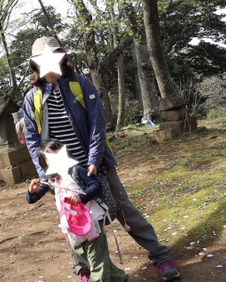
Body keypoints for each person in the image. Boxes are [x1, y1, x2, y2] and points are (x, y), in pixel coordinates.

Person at [23, 37, 181, 282]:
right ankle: (85, 269)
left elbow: (97, 124)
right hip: (63, 175)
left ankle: (161, 256)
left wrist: (94, 160)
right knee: (74, 222)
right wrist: (46, 175)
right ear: (36, 65)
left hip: (95, 166)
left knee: (124, 211)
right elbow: (34, 142)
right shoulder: (32, 98)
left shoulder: (80, 84)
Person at [27, 140, 132, 282]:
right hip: (72, 226)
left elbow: (96, 185)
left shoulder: (77, 170)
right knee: (90, 259)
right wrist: (31, 192)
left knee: (97, 262)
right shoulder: (51, 180)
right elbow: (32, 199)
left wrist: (82, 197)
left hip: (93, 220)